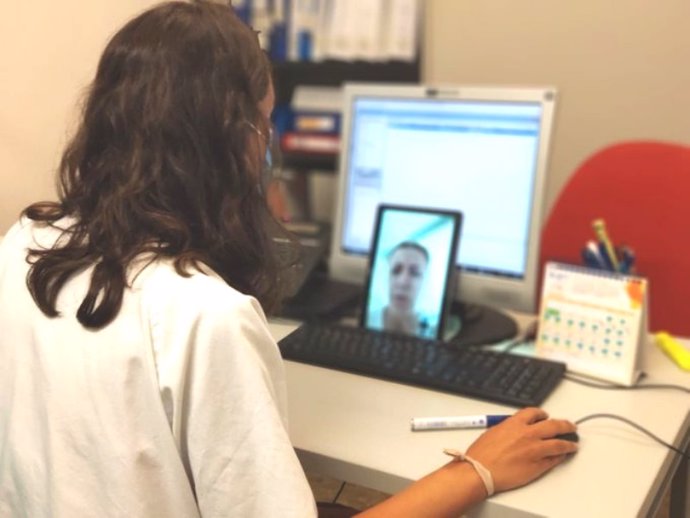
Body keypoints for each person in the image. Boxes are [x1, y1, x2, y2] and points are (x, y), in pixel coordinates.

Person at [0, 2, 578, 517]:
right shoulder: (204, 316)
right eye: (266, 121)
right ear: (234, 138)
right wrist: (475, 471)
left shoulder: (26, 242)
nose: (269, 145)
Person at [368, 241, 437, 338]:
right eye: (396, 270)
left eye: (415, 273)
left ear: (424, 282)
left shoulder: (432, 332)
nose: (403, 282)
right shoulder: (367, 320)